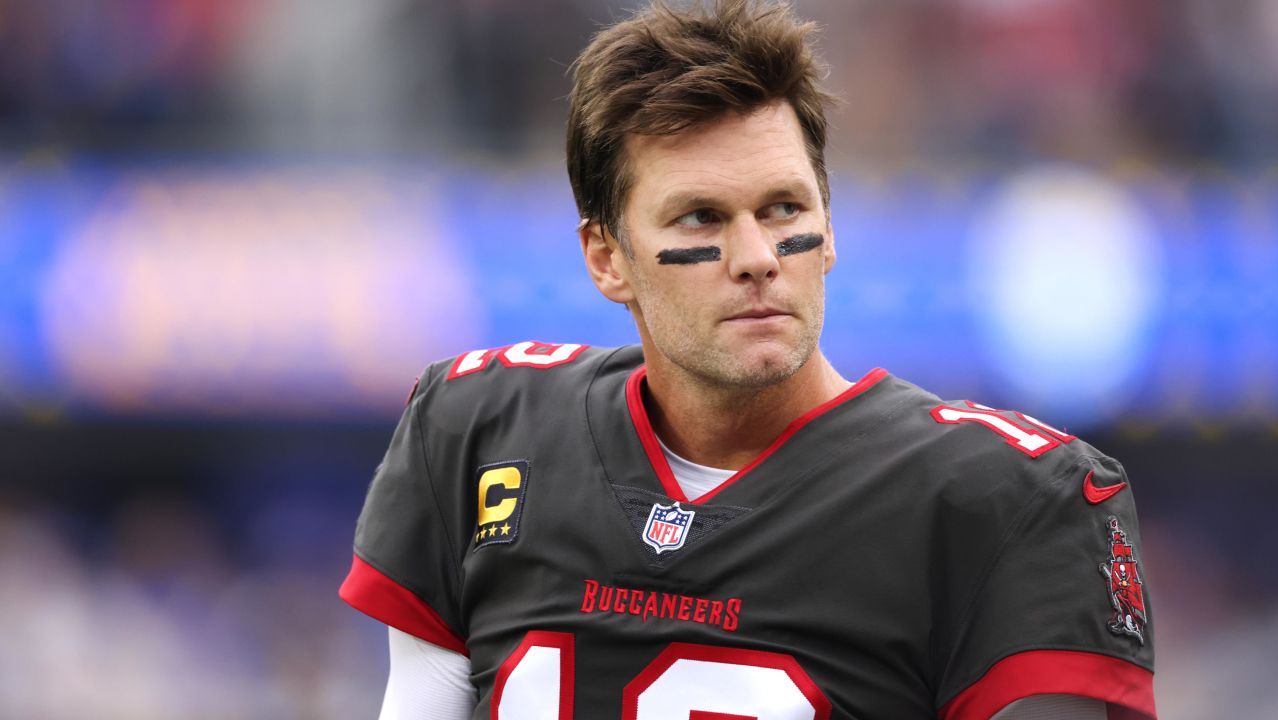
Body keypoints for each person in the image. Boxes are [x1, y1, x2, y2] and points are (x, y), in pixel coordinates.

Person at [339, 1, 1157, 718]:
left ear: (829, 228)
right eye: (701, 218)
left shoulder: (1007, 497)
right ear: (606, 258)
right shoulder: (479, 427)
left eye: (784, 208)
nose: (758, 255)